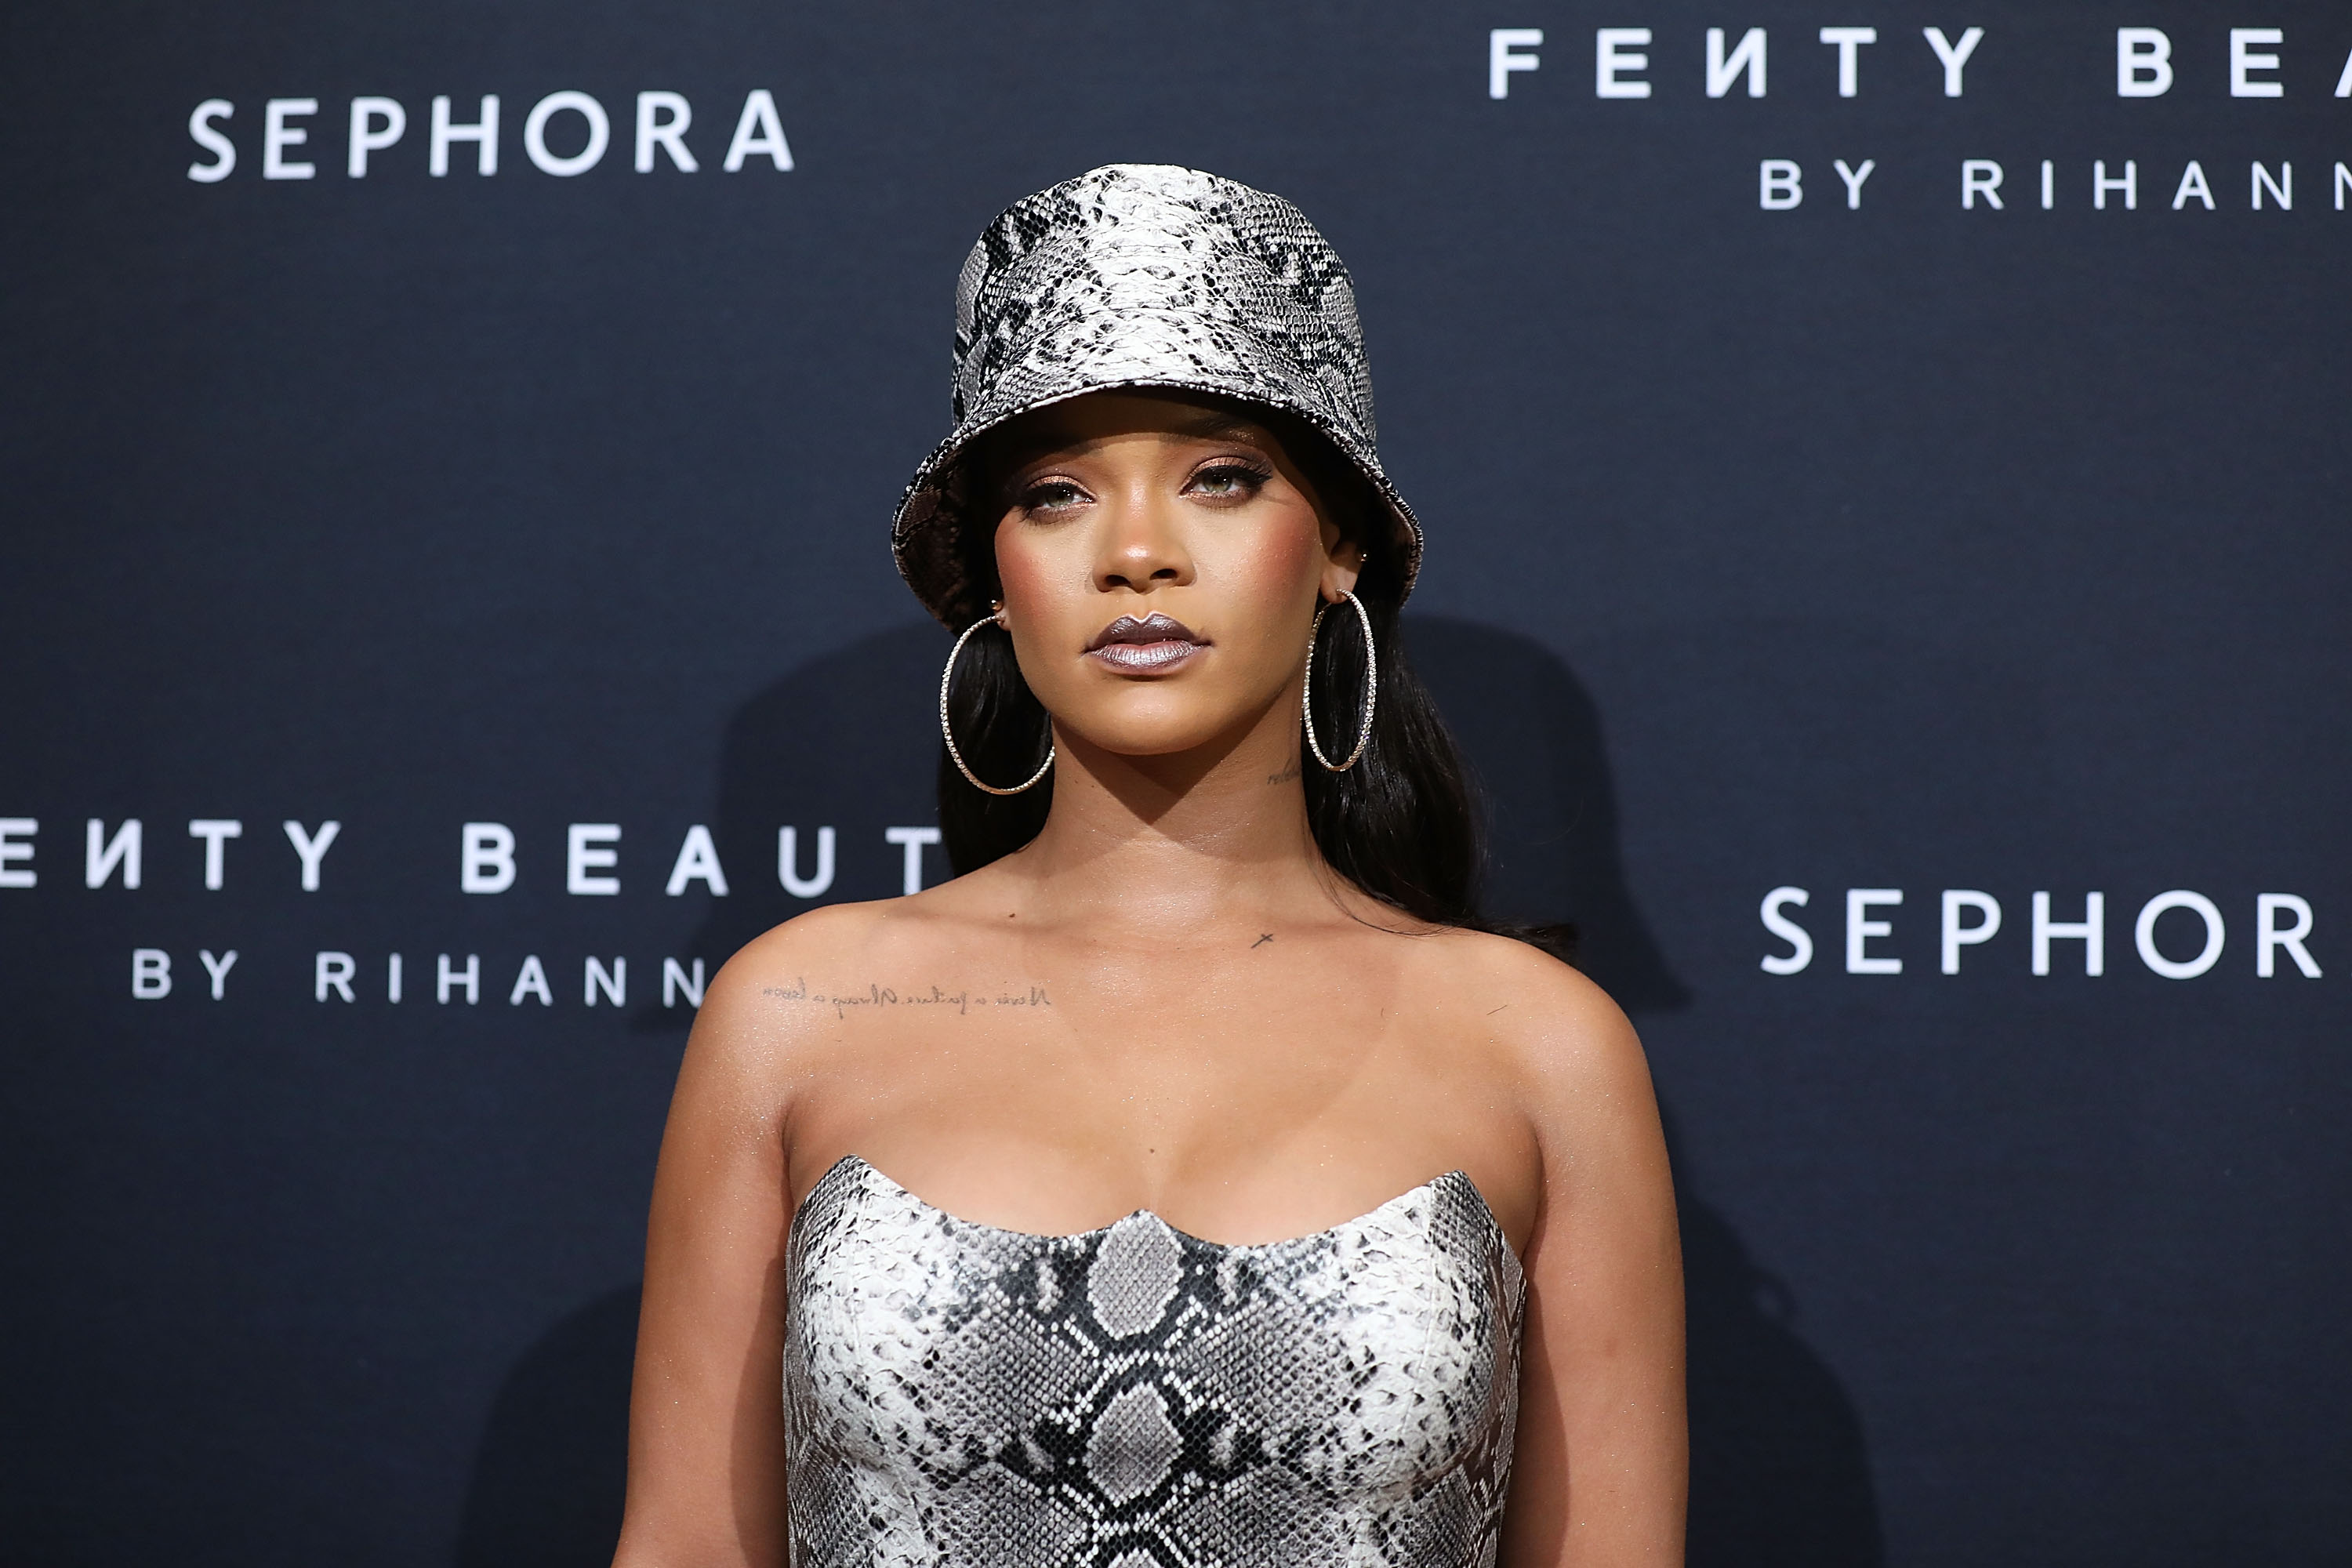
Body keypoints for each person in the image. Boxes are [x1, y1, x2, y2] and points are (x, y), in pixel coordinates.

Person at [612, 164, 1685, 1568]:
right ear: (997, 575)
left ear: (1340, 544)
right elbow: (686, 1544)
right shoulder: (798, 1010)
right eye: (1056, 494)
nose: (1135, 554)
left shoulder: (1540, 1046)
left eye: (1221, 479)